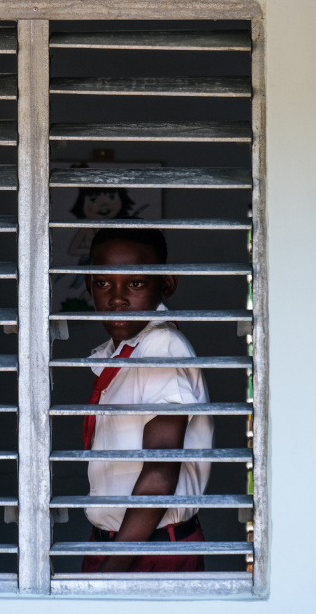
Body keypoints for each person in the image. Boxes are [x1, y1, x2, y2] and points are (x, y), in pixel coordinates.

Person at [80, 228, 213, 573]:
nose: (117, 298)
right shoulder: (124, 352)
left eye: (135, 284)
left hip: (151, 554)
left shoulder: (161, 346)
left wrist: (111, 570)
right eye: (103, 283)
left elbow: (159, 472)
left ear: (165, 284)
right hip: (118, 545)